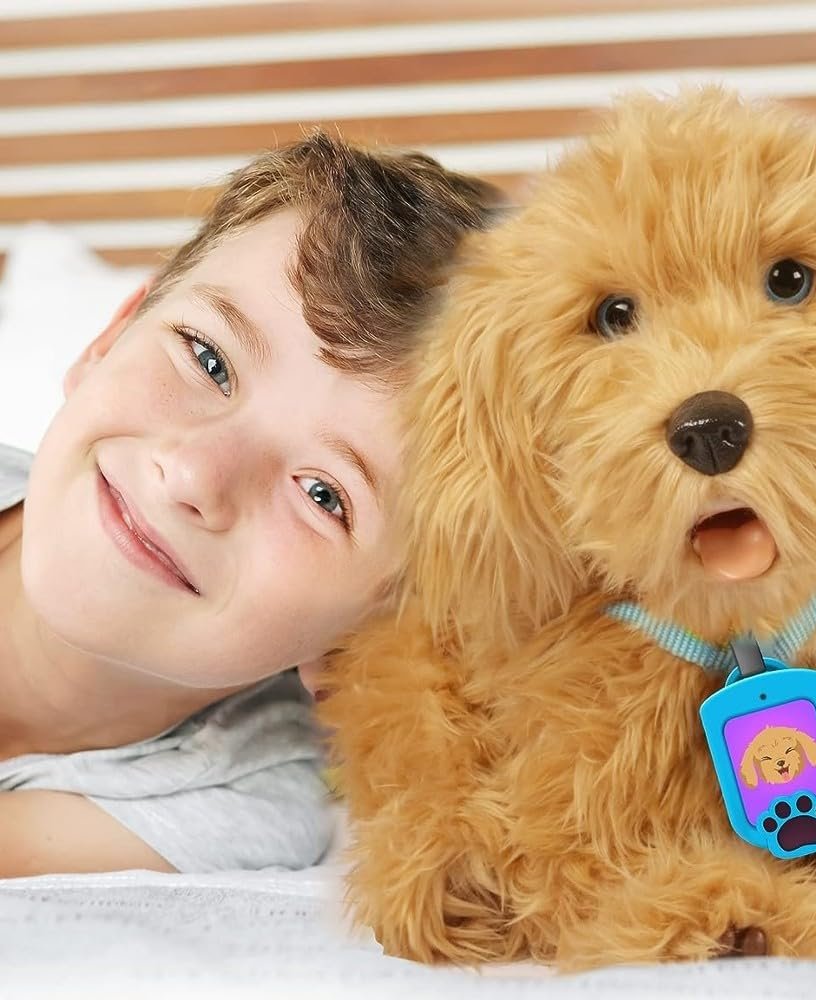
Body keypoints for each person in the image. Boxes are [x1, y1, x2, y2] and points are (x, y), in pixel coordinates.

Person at [0, 133, 503, 876]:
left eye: (324, 495)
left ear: (375, 629)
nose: (195, 474)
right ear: (109, 339)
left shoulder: (234, 802)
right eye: (208, 359)